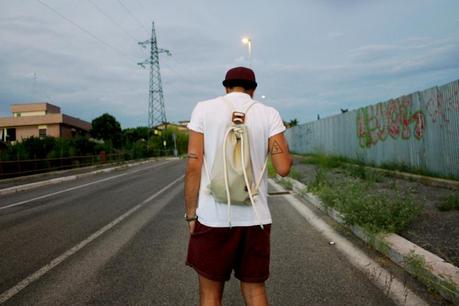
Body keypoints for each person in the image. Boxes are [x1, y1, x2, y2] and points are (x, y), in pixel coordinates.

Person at [184, 66, 292, 306]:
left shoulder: (203, 109)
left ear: (226, 87)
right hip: (256, 219)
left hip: (213, 218)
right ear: (252, 90)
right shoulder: (269, 114)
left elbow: (193, 165)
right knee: (255, 291)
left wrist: (191, 215)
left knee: (210, 295)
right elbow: (283, 168)